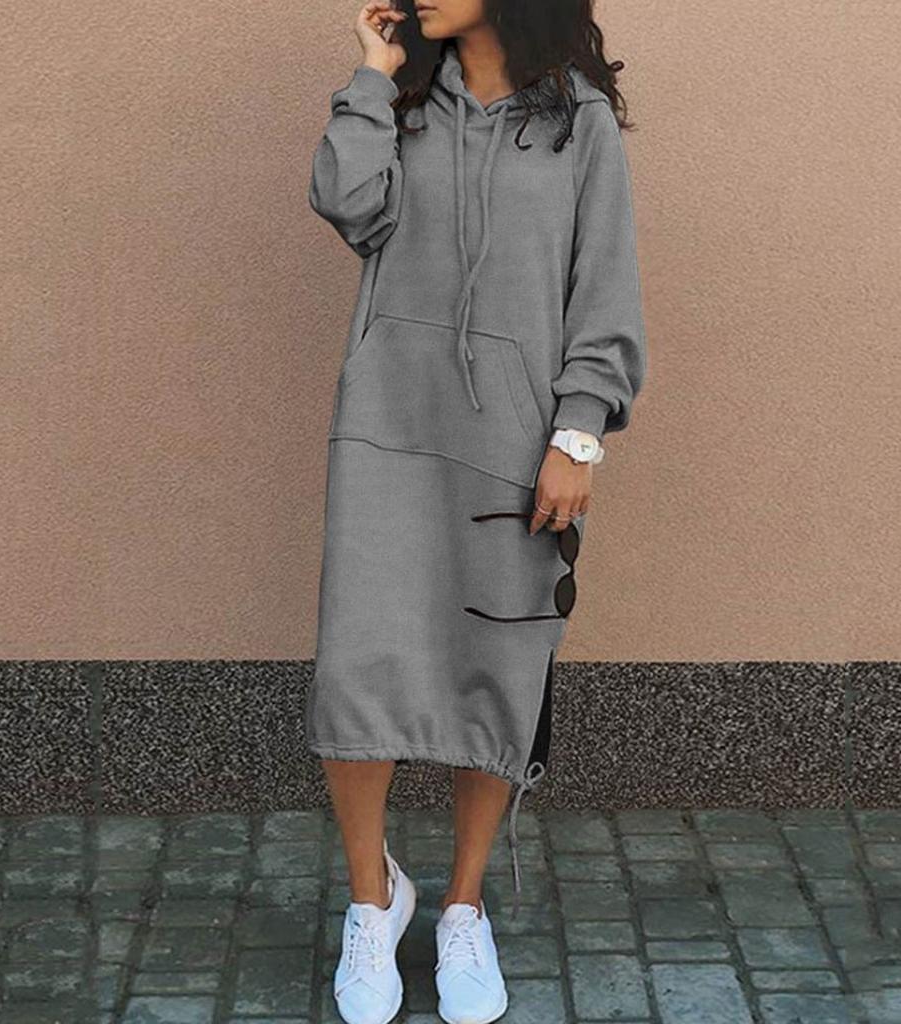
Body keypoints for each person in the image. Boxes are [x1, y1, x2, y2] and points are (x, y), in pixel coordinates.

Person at [305, 2, 647, 1022]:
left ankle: (462, 906)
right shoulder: (403, 102)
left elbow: (605, 290)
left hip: (513, 447)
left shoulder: (579, 123)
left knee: (495, 671)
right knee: (358, 665)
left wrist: (577, 435)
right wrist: (372, 76)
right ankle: (371, 902)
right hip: (388, 429)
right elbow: (346, 203)